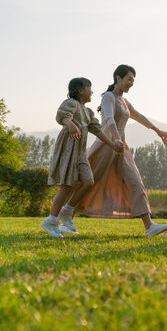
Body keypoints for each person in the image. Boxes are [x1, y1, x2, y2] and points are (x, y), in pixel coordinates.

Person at [72, 65, 167, 237]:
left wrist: (158, 131)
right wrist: (116, 138)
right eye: (129, 79)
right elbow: (109, 118)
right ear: (118, 78)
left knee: (135, 182)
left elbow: (140, 116)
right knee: (87, 183)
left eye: (133, 80)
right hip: (106, 146)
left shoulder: (124, 102)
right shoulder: (108, 97)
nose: (131, 83)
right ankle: (65, 218)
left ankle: (149, 226)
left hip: (121, 148)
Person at [41, 77, 119, 238]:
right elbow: (62, 116)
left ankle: (67, 211)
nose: (92, 92)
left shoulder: (88, 112)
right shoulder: (71, 104)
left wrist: (112, 145)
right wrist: (69, 124)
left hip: (80, 153)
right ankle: (51, 220)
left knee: (88, 182)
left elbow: (98, 131)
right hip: (68, 150)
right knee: (66, 186)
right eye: (89, 88)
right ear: (79, 90)